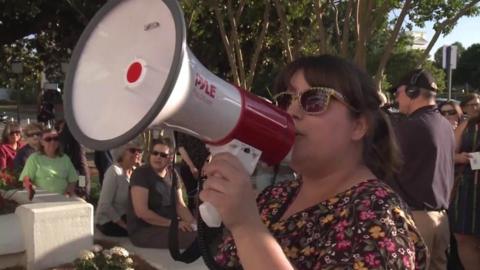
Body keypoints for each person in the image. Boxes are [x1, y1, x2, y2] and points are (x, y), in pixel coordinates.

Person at [200, 55, 427, 269]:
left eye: (315, 100)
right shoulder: (275, 196)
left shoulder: (379, 215)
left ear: (359, 126)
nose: (291, 111)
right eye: (287, 99)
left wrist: (246, 226)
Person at [391, 69, 455, 270]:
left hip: (417, 219)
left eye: (398, 92)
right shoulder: (445, 125)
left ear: (411, 92)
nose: (396, 97)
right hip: (441, 220)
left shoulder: (411, 126)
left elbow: (382, 164)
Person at [128, 140, 196, 249]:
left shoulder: (173, 173)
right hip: (145, 230)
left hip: (169, 225)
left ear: (170, 158)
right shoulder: (141, 174)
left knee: (202, 234)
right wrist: (174, 224)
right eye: (155, 153)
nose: (158, 157)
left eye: (163, 155)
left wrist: (193, 223)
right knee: (194, 239)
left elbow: (180, 205)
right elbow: (142, 212)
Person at [448, 109, 480, 270]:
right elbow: (447, 153)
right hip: (467, 189)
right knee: (464, 237)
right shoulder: (469, 124)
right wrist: (459, 157)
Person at [95, 141, 143, 237]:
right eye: (132, 150)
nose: (137, 153)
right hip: (109, 221)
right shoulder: (114, 172)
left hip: (126, 216)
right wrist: (124, 226)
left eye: (139, 151)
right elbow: (105, 204)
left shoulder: (135, 172)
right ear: (121, 153)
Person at [19, 128, 78, 195]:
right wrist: (30, 187)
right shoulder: (34, 158)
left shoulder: (65, 158)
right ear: (41, 142)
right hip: (42, 198)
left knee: (87, 205)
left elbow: (73, 180)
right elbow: (26, 178)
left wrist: (67, 194)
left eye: (55, 138)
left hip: (63, 197)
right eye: (48, 139)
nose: (52, 142)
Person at [174, 131, 210, 212]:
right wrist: (191, 166)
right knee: (191, 196)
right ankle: (191, 219)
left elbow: (213, 145)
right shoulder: (184, 125)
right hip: (188, 166)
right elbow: (181, 147)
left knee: (205, 196)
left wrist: (207, 162)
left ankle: (203, 220)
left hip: (205, 166)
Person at [57, 120, 91, 197]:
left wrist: (82, 187)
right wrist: (82, 187)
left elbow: (81, 167)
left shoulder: (62, 140)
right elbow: (82, 167)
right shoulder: (76, 141)